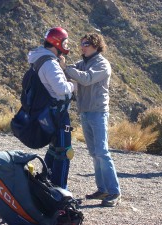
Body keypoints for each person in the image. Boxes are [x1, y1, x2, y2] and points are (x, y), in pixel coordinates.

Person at [61, 33, 121, 207]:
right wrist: (66, 67)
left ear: (96, 45)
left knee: (102, 152)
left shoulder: (102, 64)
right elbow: (73, 71)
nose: (82, 47)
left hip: (98, 112)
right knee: (94, 153)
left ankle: (114, 192)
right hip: (86, 112)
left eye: (86, 44)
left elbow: (86, 79)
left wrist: (66, 67)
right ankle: (102, 189)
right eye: (81, 44)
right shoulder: (84, 63)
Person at [27, 27, 74, 189]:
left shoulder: (39, 58)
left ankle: (45, 184)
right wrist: (72, 85)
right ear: (56, 42)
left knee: (54, 149)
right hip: (58, 113)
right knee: (64, 152)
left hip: (48, 112)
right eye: (64, 42)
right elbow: (61, 88)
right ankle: (59, 189)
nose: (66, 45)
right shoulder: (50, 63)